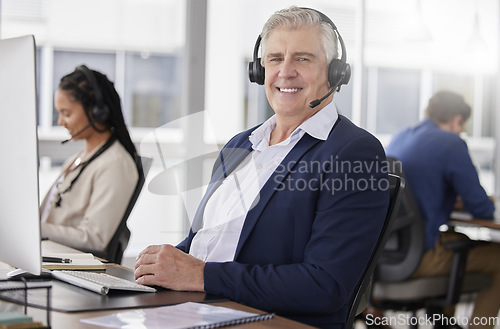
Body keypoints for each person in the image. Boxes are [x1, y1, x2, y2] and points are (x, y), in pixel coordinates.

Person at [134, 7, 389, 328]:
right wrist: (165, 263)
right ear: (259, 70)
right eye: (274, 59)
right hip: (199, 308)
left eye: (303, 58)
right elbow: (206, 243)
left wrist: (201, 275)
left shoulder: (353, 152)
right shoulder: (241, 145)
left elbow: (325, 285)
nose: (285, 71)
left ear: (335, 73)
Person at [386, 90, 499, 329]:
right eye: (462, 126)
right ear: (457, 120)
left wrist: (448, 198)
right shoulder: (451, 142)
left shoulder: (400, 137)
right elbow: (482, 209)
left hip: (387, 254)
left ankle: (442, 323)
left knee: (458, 239)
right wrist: (478, 200)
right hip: (420, 256)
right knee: (498, 257)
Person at [40, 65, 139, 255]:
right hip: (49, 257)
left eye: (67, 113)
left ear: (97, 110)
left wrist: (39, 230)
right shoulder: (77, 159)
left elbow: (94, 238)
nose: (60, 122)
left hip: (70, 267)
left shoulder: (115, 164)